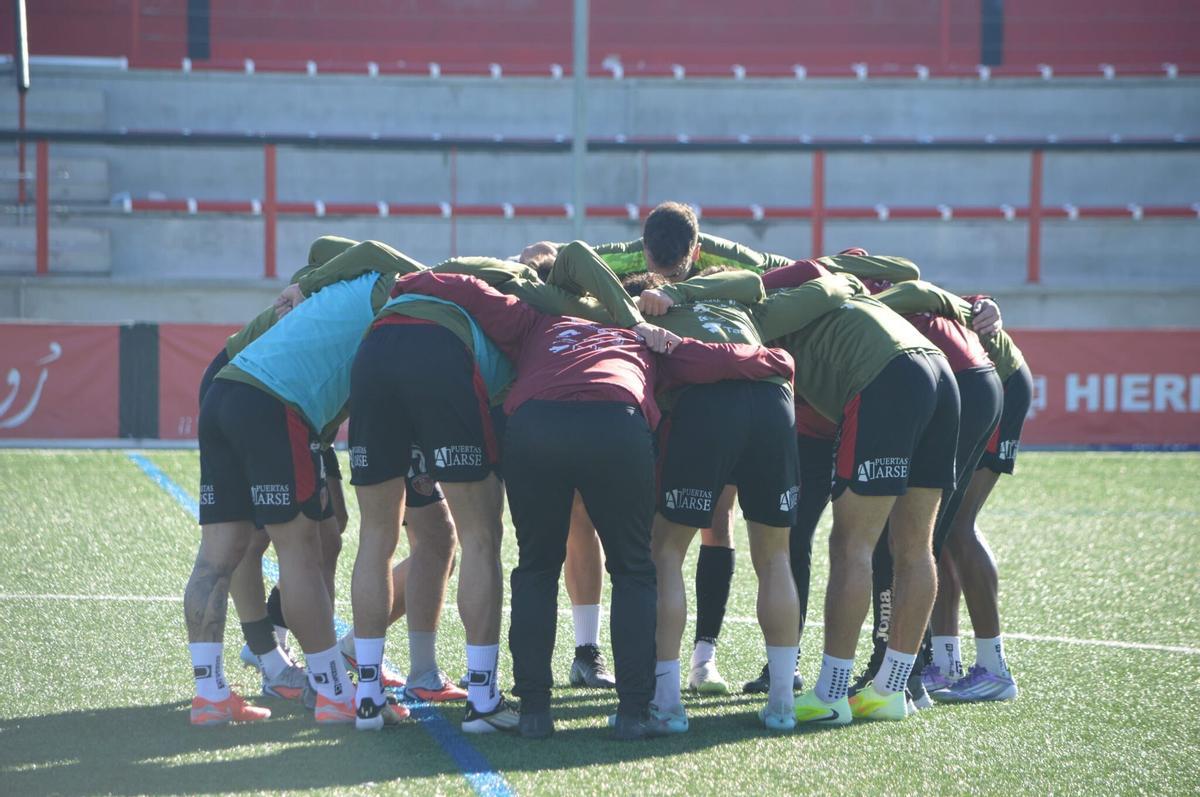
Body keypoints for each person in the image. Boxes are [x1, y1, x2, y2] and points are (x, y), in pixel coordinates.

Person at [393, 264, 794, 740]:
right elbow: (721, 360)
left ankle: (536, 712)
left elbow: (471, 290)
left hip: (536, 423)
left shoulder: (538, 322)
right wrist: (778, 361)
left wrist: (409, 281)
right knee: (633, 569)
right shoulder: (648, 335)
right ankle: (632, 712)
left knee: (537, 568)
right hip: (615, 421)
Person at [349, 242, 659, 732]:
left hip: (377, 345)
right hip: (587, 408)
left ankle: (368, 696)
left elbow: (462, 282)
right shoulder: (556, 307)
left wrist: (410, 280)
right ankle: (489, 700)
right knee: (487, 537)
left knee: (378, 536)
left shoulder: (519, 304)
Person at [622, 265, 863, 730]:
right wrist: (850, 276)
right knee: (774, 557)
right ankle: (781, 705)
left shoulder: (643, 314)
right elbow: (757, 281)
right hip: (773, 400)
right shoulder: (740, 307)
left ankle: (668, 703)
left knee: (666, 552)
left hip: (707, 401)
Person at [187, 239, 416, 727]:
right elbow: (364, 249)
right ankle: (330, 691)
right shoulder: (399, 291)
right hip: (273, 404)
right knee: (301, 551)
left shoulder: (355, 289)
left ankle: (209, 694)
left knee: (218, 555)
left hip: (229, 390)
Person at [856, 279, 1005, 708]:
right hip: (976, 380)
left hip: (968, 383)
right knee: (931, 537)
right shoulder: (901, 295)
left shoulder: (867, 301)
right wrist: (984, 302)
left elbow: (965, 302)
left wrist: (985, 302)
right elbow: (966, 301)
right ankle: (937, 664)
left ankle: (914, 673)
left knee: (923, 536)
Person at [926, 316, 1030, 703]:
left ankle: (995, 670)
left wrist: (985, 306)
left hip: (997, 385)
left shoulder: (881, 300)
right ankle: (945, 663)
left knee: (956, 525)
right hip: (972, 387)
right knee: (938, 527)